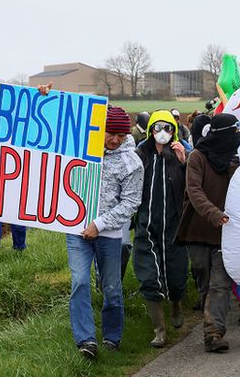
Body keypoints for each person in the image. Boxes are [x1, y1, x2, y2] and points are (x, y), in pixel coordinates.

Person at [68, 106, 142, 359]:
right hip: (75, 231)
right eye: (111, 133)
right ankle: (86, 340)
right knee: (79, 282)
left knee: (111, 287)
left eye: (121, 135)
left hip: (109, 235)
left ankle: (112, 337)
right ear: (99, 129)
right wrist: (45, 95)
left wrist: (98, 225)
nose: (116, 140)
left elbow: (131, 203)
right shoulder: (78, 149)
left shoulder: (131, 162)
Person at [175, 113, 240, 353]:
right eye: (233, 131)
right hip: (197, 230)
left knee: (220, 284)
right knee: (203, 279)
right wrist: (214, 214)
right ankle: (210, 319)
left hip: (227, 233)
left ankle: (213, 333)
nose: (237, 136)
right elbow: (194, 190)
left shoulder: (236, 160)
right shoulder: (197, 157)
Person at [135, 110, 189, 348]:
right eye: (158, 128)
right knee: (148, 275)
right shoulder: (141, 155)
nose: (162, 133)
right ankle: (159, 330)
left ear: (173, 131)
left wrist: (183, 162)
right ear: (150, 131)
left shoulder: (180, 155)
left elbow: (191, 189)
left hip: (173, 226)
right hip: (146, 225)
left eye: (168, 128)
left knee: (176, 273)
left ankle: (176, 302)